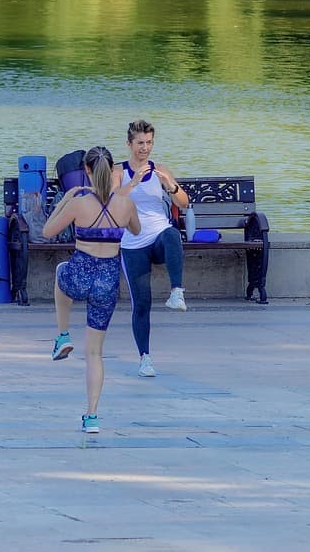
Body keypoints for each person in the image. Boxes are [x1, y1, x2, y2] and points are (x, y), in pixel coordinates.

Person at [43, 146, 141, 434]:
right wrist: (125, 196)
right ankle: (92, 416)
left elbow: (48, 231)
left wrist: (68, 199)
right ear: (112, 171)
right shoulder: (125, 204)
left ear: (86, 171)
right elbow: (135, 230)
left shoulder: (79, 202)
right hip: (108, 279)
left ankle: (62, 335)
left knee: (62, 272)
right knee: (95, 354)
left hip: (81, 272)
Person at [113, 119, 190, 378]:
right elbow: (112, 202)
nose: (144, 148)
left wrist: (171, 186)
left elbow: (184, 202)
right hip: (133, 243)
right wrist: (133, 182)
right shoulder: (118, 171)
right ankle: (145, 358)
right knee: (142, 303)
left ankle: (177, 292)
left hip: (157, 236)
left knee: (171, 233)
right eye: (140, 143)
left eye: (149, 143)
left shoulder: (160, 169)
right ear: (129, 144)